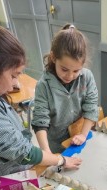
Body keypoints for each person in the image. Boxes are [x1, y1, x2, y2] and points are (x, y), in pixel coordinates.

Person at [0, 24, 82, 190]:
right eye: (13, 75)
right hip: (1, 183)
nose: (15, 84)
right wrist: (61, 160)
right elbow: (25, 152)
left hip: (17, 170)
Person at [31, 24, 99, 154]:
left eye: (76, 71)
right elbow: (40, 121)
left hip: (79, 136)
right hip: (55, 145)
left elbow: (91, 108)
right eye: (64, 69)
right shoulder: (44, 86)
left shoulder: (87, 77)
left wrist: (83, 135)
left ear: (83, 64)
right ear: (53, 58)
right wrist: (47, 153)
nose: (70, 76)